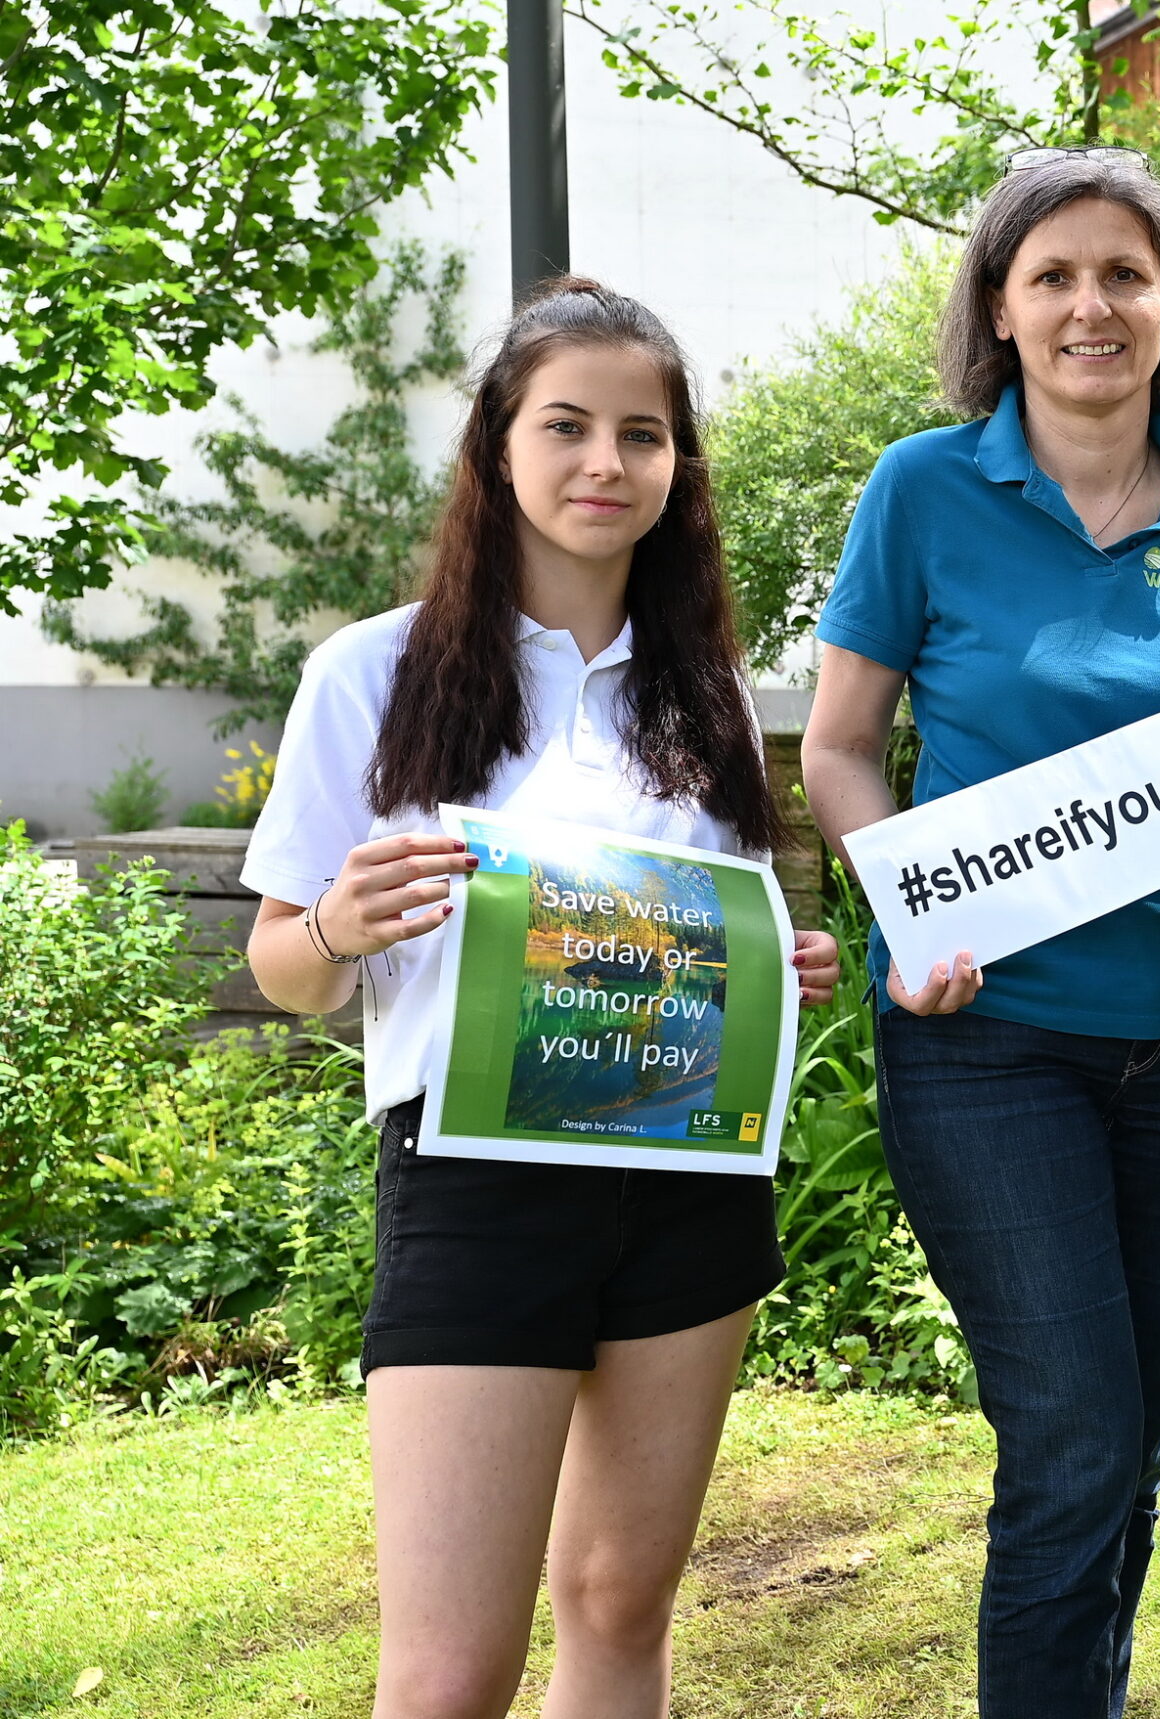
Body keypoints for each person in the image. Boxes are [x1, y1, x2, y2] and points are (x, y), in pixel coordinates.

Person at [242, 279, 842, 1719]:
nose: (606, 463)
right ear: (498, 447)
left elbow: (712, 948)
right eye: (567, 426)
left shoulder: (705, 695)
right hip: (476, 1184)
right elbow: (285, 968)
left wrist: (772, 972)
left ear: (676, 471)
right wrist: (334, 920)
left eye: (644, 436)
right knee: (451, 1671)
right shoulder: (373, 672)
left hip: (685, 1186)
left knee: (621, 1605)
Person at [798, 147, 1160, 1718]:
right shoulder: (924, 488)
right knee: (1076, 1429)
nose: (1094, 305)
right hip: (987, 1035)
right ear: (1003, 311)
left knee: (1129, 1438)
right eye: (1056, 277)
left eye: (1127, 275)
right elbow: (837, 747)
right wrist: (905, 898)